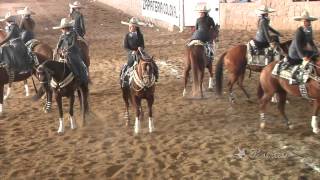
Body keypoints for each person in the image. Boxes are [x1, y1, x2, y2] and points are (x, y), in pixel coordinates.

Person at [121, 17, 158, 81]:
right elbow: (126, 47)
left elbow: (142, 45)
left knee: (150, 60)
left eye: (131, 26)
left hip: (140, 52)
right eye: (129, 26)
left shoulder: (140, 35)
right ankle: (125, 77)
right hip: (132, 54)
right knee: (130, 64)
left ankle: (155, 74)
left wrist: (141, 47)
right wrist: (131, 52)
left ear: (135, 27)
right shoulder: (127, 36)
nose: (130, 28)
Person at [53, 18, 88, 84]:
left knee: (71, 60)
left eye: (63, 28)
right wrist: (57, 48)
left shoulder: (73, 34)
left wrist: (66, 50)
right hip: (64, 52)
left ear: (66, 28)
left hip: (73, 52)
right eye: (62, 28)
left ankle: (77, 75)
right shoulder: (62, 35)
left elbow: (73, 44)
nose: (62, 30)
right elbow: (59, 42)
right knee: (55, 60)